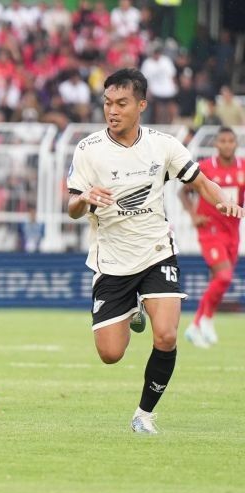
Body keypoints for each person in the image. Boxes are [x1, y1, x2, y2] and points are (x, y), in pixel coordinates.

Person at [66, 68, 244, 434]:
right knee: (110, 354)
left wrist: (222, 200)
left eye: (121, 103)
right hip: (112, 260)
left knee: (166, 336)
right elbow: (71, 208)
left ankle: (144, 414)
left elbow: (200, 181)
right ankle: (133, 310)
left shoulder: (163, 145)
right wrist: (84, 198)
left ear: (141, 105)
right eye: (107, 103)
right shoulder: (89, 150)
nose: (112, 110)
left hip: (156, 251)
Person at [179, 127, 245, 348]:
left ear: (235, 144)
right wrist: (193, 214)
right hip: (210, 230)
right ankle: (205, 320)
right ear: (216, 144)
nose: (227, 145)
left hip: (233, 232)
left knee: (221, 280)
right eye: (223, 141)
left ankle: (198, 323)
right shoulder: (206, 168)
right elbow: (183, 191)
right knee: (224, 276)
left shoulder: (242, 168)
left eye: (230, 141)